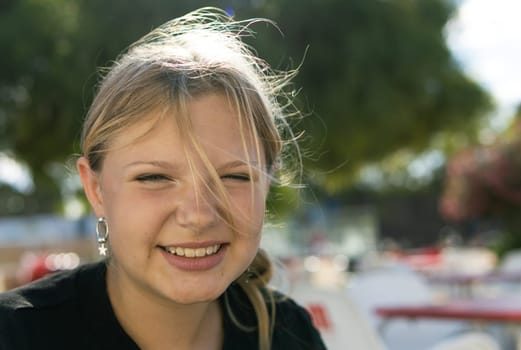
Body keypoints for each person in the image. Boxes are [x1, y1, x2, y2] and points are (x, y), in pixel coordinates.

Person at [0, 7, 326, 350]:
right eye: (154, 177)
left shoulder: (290, 335)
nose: (198, 215)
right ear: (95, 189)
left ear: (268, 180)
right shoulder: (16, 335)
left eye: (233, 177)